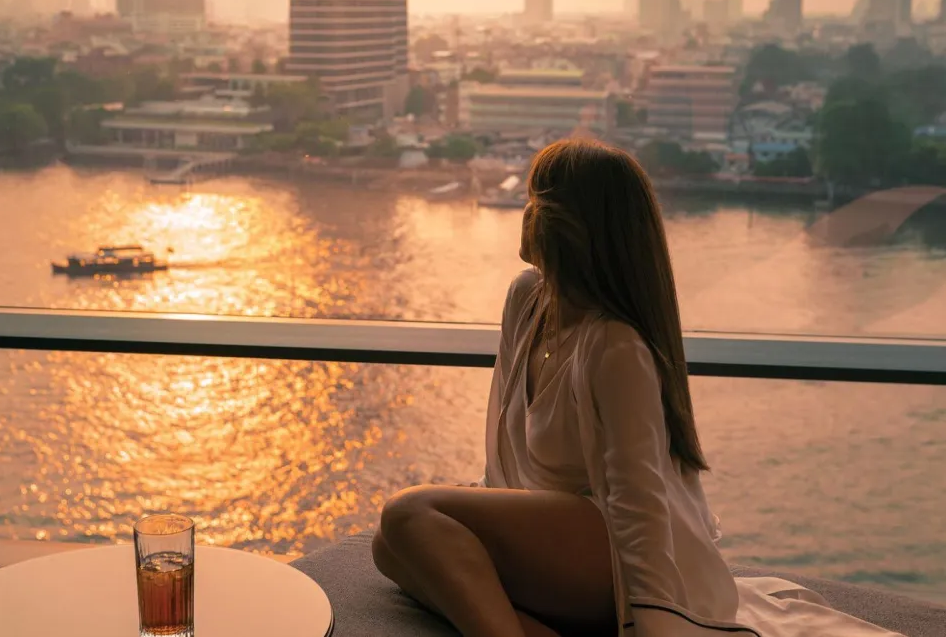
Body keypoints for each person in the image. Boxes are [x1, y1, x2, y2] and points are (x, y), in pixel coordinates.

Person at [371, 139, 904, 637]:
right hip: (555, 545)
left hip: (603, 550)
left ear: (578, 226)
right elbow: (504, 452)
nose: (526, 210)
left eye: (539, 199)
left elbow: (638, 502)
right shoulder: (528, 299)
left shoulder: (614, 347)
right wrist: (474, 526)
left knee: (409, 514)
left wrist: (652, 621)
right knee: (388, 547)